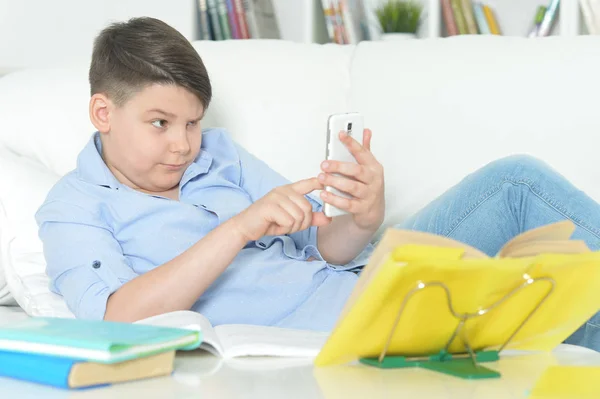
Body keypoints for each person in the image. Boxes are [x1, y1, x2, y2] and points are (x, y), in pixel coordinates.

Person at [35, 17, 600, 351]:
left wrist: (362, 216)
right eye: (160, 123)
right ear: (103, 113)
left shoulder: (219, 155)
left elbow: (324, 245)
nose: (183, 144)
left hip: (373, 270)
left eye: (192, 122)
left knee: (515, 184)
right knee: (549, 312)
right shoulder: (73, 207)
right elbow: (114, 321)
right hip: (358, 318)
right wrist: (237, 229)